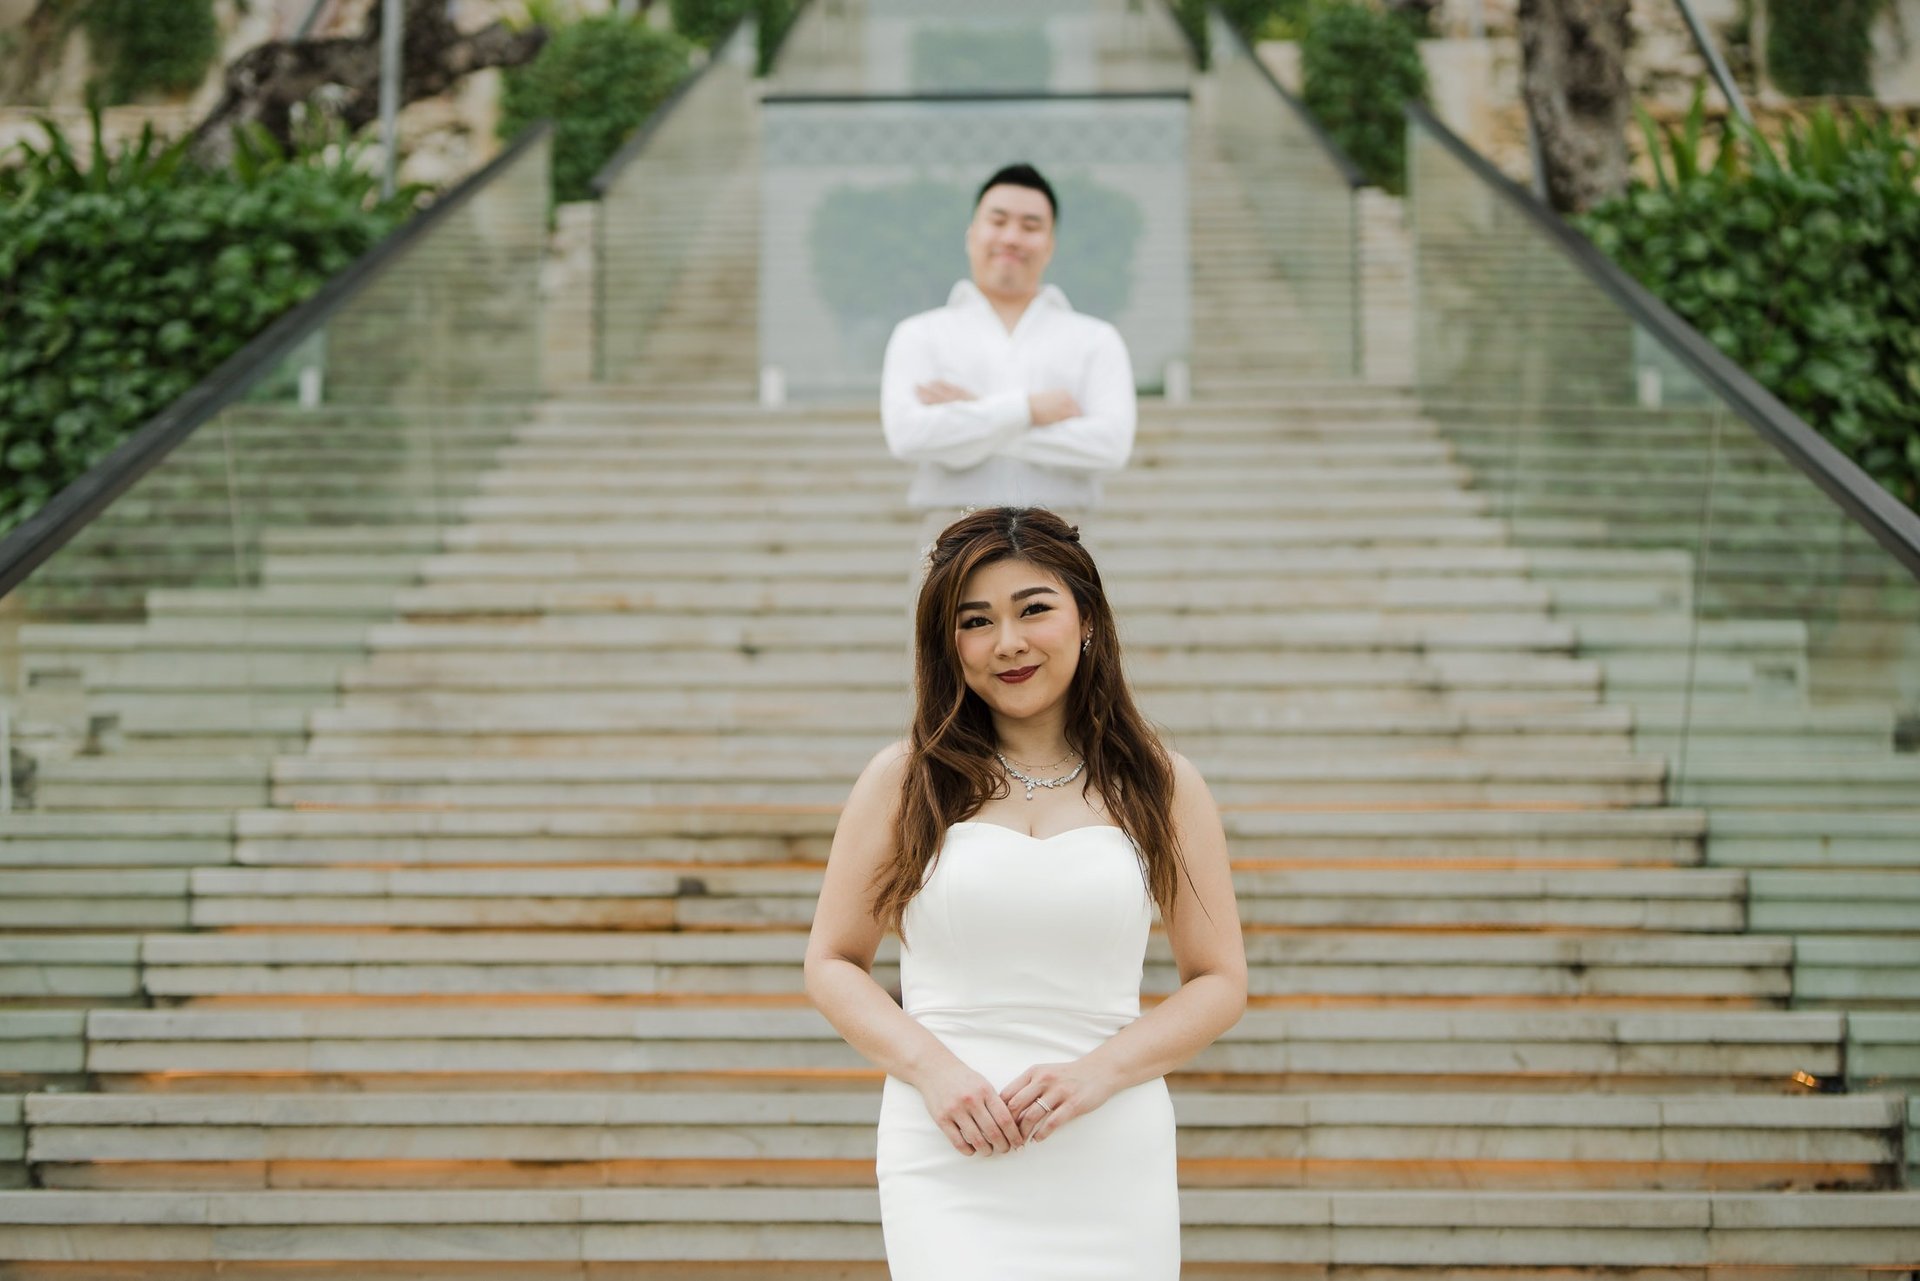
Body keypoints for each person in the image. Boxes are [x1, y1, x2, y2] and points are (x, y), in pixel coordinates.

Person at [803, 507, 1247, 1280]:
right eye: (976, 621)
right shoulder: (905, 779)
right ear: (948, 644)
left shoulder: (1161, 784)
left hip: (1110, 1144)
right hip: (948, 1143)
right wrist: (933, 1070)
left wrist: (1098, 1073)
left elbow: (1220, 980)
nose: (1007, 641)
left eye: (1033, 608)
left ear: (1087, 619)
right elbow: (831, 961)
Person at [880, 164, 1138, 609]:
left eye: (1030, 226)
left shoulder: (1095, 339)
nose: (1012, 237)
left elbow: (1110, 445)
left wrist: (975, 413)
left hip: (1064, 536)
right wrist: (1027, 409)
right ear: (971, 233)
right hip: (949, 537)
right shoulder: (919, 335)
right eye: (998, 221)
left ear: (1050, 243)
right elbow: (909, 435)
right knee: (941, 658)